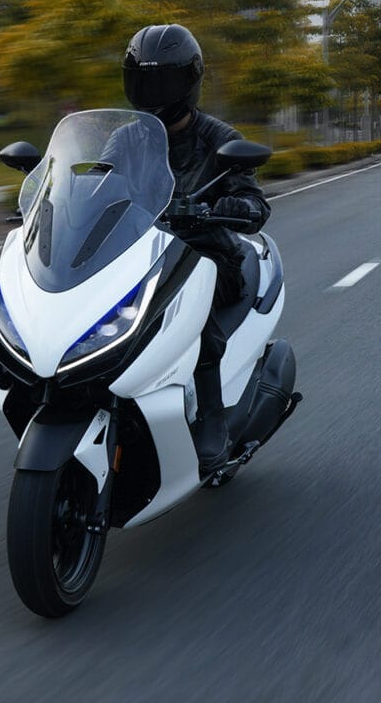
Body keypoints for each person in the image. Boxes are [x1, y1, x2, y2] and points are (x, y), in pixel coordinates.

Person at [121, 23, 270, 476]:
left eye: (162, 82)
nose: (153, 94)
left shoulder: (218, 138)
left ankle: (210, 416)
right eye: (145, 82)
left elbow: (255, 202)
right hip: (141, 254)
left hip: (207, 254)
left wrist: (236, 206)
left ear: (187, 83)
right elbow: (96, 180)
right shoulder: (126, 138)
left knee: (189, 298)